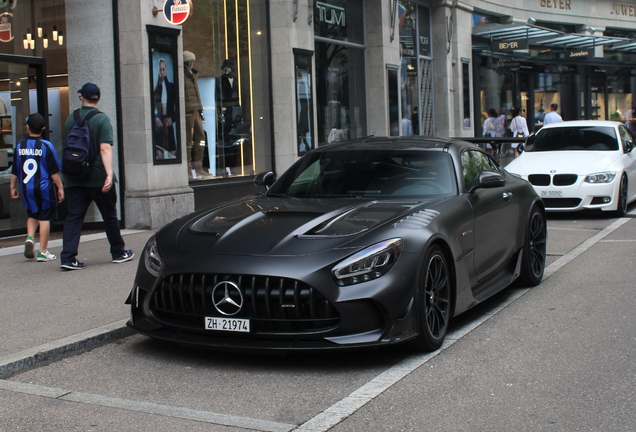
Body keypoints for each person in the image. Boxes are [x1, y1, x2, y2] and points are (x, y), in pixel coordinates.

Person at [59, 83, 133, 270]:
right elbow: (104, 148)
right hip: (98, 176)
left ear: (82, 98)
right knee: (109, 215)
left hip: (74, 176)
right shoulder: (102, 120)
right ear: (97, 99)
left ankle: (68, 258)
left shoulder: (71, 119)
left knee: (74, 217)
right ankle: (118, 252)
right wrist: (109, 174)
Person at [9, 113, 64, 262]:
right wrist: (60, 187)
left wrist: (12, 186)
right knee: (45, 217)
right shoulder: (46, 146)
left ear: (27, 127)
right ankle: (42, 251)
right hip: (44, 188)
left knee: (32, 214)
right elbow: (53, 171)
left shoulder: (20, 145)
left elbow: (15, 169)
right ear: (43, 128)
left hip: (27, 188)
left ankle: (30, 237)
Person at [183, 51, 209, 179]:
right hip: (187, 111)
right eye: (191, 61)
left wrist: (200, 109)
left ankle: (198, 167)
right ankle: (188, 169)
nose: (193, 63)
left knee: (201, 138)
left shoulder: (193, 75)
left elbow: (197, 94)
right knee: (188, 140)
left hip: (196, 110)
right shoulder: (182, 75)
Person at [153, 58, 177, 160]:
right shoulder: (155, 88)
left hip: (168, 119)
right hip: (159, 120)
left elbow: (178, 105)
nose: (162, 72)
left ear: (166, 69)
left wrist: (172, 118)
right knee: (159, 149)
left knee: (172, 149)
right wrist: (155, 118)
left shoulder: (171, 86)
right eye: (160, 69)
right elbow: (152, 105)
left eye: (163, 69)